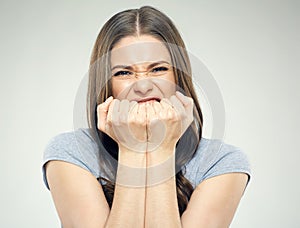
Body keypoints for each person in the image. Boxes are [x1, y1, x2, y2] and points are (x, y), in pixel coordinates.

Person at [42, 6, 251, 228]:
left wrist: (161, 149)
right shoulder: (70, 152)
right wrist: (132, 148)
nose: (143, 85)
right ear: (106, 84)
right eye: (124, 72)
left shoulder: (221, 162)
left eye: (158, 69)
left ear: (178, 78)